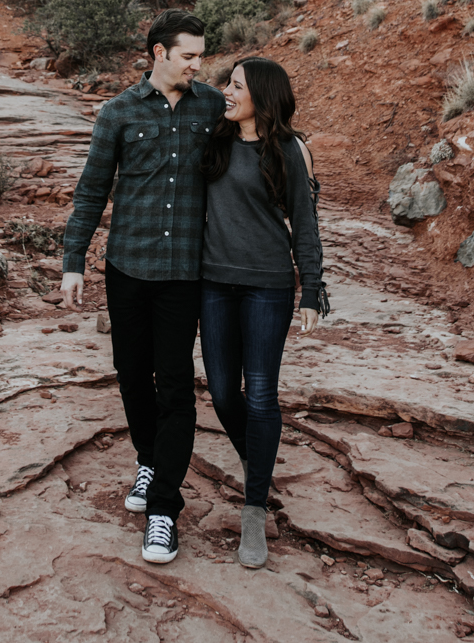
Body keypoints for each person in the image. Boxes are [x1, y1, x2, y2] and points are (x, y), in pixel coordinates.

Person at [61, 9, 225, 565]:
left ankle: (163, 511)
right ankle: (148, 458)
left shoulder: (211, 108)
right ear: (159, 53)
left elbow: (255, 147)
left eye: (201, 56)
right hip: (128, 268)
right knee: (133, 375)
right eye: (189, 56)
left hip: (186, 273)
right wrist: (73, 261)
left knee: (176, 386)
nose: (199, 66)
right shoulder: (118, 113)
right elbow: (91, 192)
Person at [200, 56, 325, 569]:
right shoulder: (215, 138)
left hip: (267, 288)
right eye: (226, 84)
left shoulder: (289, 151)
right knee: (223, 391)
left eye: (236, 86)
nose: (225, 92)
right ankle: (260, 463)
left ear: (263, 97)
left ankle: (254, 509)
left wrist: (312, 290)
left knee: (260, 395)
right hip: (214, 283)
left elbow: (306, 222)